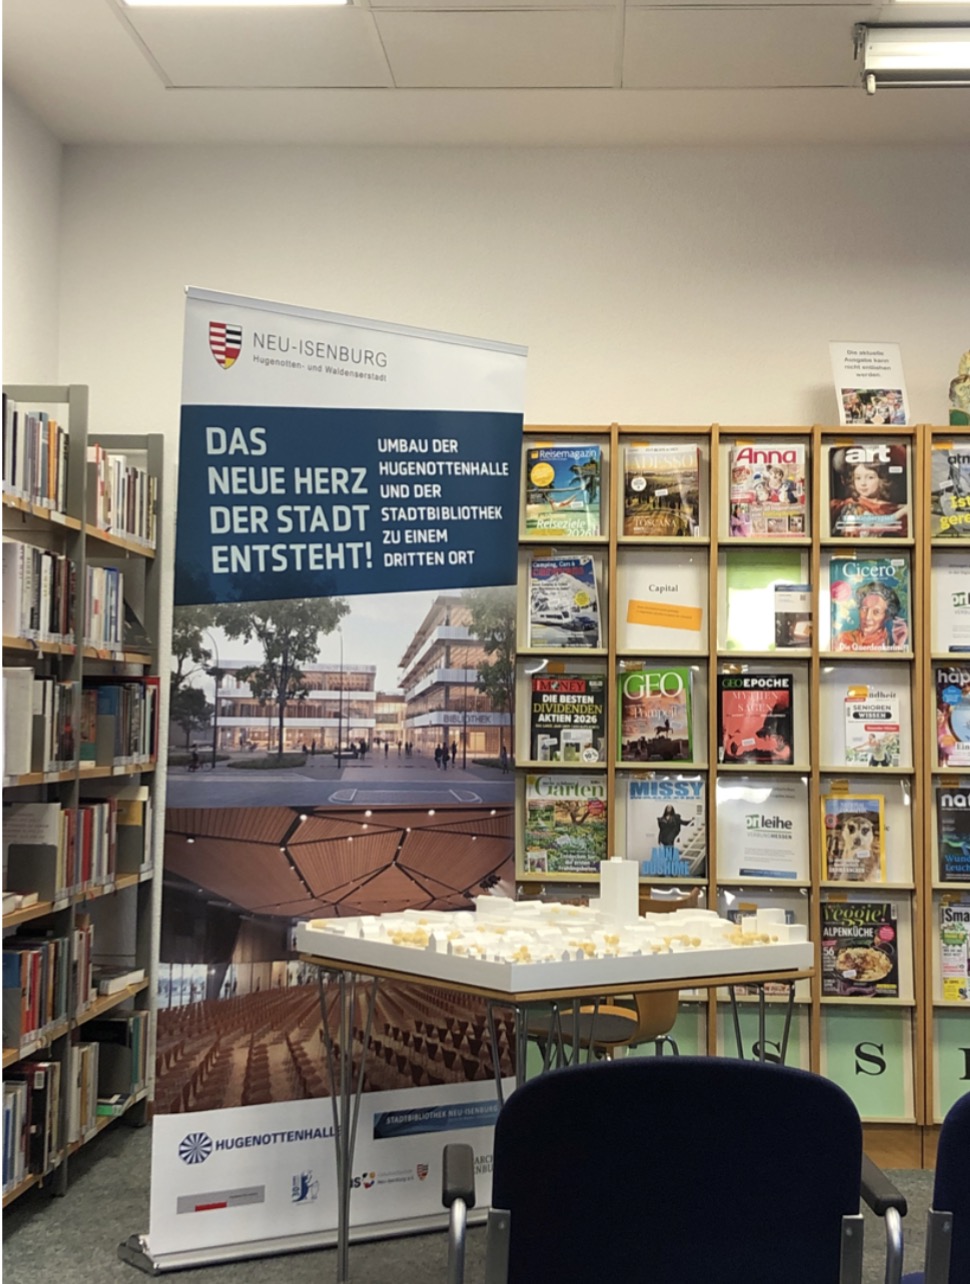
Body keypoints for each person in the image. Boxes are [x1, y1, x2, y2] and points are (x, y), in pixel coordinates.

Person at [830, 456, 908, 537]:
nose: (863, 483)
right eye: (858, 478)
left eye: (870, 477)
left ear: (881, 479)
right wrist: (902, 512)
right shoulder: (851, 505)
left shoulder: (890, 507)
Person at [833, 579, 908, 652]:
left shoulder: (892, 643)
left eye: (876, 612)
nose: (867, 617)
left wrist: (898, 645)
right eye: (864, 609)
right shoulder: (843, 639)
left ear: (887, 616)